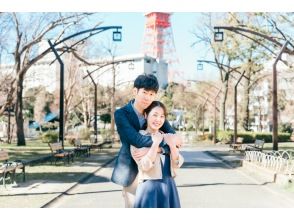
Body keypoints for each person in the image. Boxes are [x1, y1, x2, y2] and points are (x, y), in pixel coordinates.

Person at [111, 74, 182, 208]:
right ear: (135, 91)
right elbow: (136, 139)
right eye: (144, 92)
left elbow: (175, 139)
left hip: (154, 172)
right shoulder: (121, 114)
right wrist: (161, 141)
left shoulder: (155, 112)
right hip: (131, 171)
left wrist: (160, 149)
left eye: (151, 94)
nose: (147, 97)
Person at [130, 101, 184, 208]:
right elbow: (145, 166)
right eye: (155, 115)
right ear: (145, 115)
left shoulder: (167, 136)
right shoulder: (137, 138)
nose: (158, 119)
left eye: (162, 116)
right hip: (148, 189)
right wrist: (155, 144)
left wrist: (171, 146)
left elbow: (178, 163)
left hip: (169, 187)